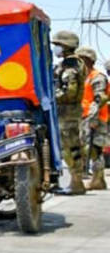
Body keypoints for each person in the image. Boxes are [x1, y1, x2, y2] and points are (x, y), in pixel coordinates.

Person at [52, 31, 89, 196]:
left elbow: (70, 92)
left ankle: (76, 183)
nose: (55, 48)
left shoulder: (71, 66)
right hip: (69, 112)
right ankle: (76, 182)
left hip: (68, 113)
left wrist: (52, 97)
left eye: (57, 45)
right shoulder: (73, 63)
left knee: (71, 149)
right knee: (72, 148)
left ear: (65, 46)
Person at [78, 47, 108, 191]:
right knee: (88, 149)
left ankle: (98, 180)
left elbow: (99, 99)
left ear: (88, 60)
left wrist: (94, 119)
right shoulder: (86, 77)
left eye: (81, 60)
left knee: (95, 150)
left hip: (97, 119)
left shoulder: (97, 77)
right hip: (87, 118)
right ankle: (97, 180)